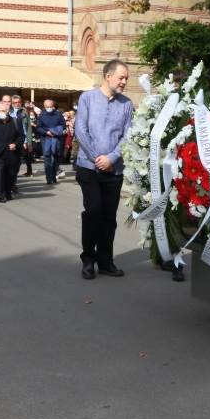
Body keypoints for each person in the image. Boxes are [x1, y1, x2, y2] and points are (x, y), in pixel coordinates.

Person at [75, 59, 133, 279]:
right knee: (94, 212)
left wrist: (111, 158)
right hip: (89, 168)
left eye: (126, 78)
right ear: (108, 76)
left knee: (109, 217)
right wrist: (97, 158)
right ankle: (88, 259)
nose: (124, 82)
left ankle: (106, 261)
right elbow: (81, 130)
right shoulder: (87, 98)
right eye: (121, 77)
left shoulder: (126, 104)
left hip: (114, 170)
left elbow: (128, 136)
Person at [0, 101, 23, 203]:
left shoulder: (16, 121)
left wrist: (16, 144)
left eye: (3, 111)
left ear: (8, 111)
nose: (0, 113)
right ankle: (0, 195)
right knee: (0, 173)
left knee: (11, 174)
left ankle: (8, 192)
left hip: (12, 152)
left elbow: (21, 137)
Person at [36, 99, 66, 184]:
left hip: (56, 138)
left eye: (50, 106)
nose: (49, 108)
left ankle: (53, 175)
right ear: (44, 107)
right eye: (47, 107)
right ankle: (49, 178)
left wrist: (56, 131)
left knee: (56, 156)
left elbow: (63, 125)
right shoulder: (41, 115)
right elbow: (38, 127)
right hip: (46, 138)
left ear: (53, 106)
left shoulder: (58, 114)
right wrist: (46, 132)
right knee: (47, 158)